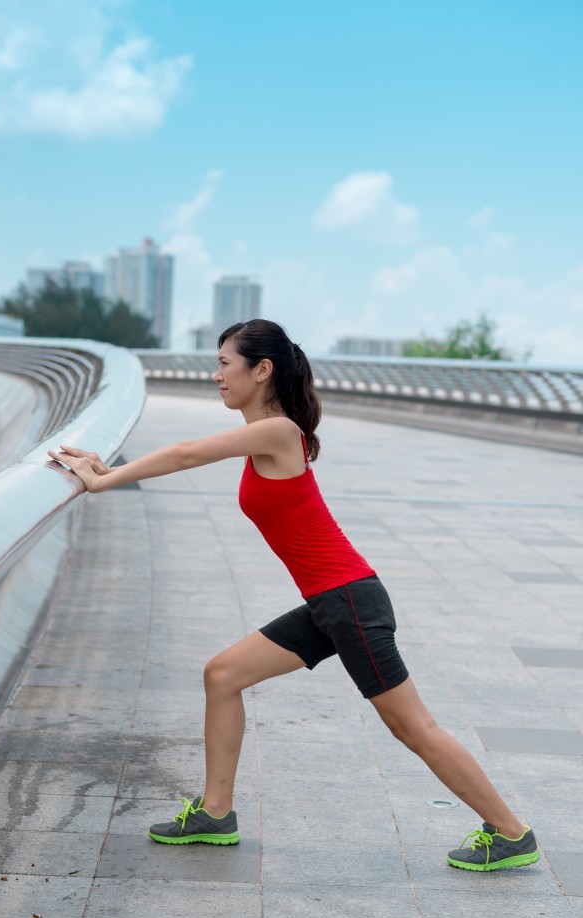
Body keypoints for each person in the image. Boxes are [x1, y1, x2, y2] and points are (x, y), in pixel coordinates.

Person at [48, 319, 540, 872]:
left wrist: (103, 479)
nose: (216, 377)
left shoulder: (278, 430)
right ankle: (215, 814)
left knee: (412, 728)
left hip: (350, 601)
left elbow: (187, 453)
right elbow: (189, 454)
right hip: (331, 603)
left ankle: (510, 832)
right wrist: (106, 469)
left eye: (225, 365)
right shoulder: (271, 433)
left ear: (262, 371)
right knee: (222, 675)